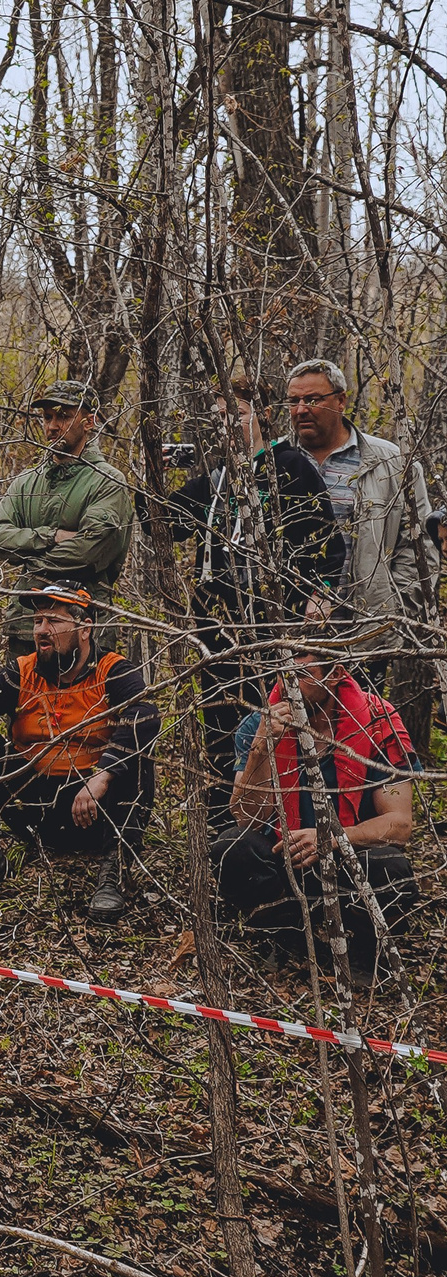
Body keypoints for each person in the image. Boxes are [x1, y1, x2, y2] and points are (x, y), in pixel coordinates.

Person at [168, 375, 342, 830]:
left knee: (270, 723)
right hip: (217, 630)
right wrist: (157, 470)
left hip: (274, 629)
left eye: (236, 415)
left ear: (262, 416)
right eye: (219, 417)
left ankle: (276, 821)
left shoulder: (292, 468)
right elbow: (162, 522)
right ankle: (223, 819)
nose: (225, 425)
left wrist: (319, 599)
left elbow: (329, 545)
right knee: (219, 723)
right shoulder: (217, 478)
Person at [214, 611, 418, 978]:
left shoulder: (377, 721)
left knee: (396, 871)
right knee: (232, 846)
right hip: (284, 858)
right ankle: (283, 937)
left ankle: (363, 951)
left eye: (303, 676)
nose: (290, 687)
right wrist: (263, 745)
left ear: (336, 674)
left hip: (349, 861)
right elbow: (246, 817)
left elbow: (400, 824)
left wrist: (333, 838)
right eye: (284, 674)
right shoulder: (260, 721)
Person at [0, 581, 158, 919]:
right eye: (38, 620)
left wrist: (103, 774)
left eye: (53, 621)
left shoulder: (111, 669)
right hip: (32, 802)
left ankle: (116, 869)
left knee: (137, 754)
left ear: (84, 627)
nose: (41, 630)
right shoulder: (24, 671)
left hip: (90, 808)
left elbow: (145, 714)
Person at [283, 358, 438, 759]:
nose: (301, 410)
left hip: (360, 628)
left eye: (313, 399)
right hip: (286, 627)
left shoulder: (390, 462)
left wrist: (393, 609)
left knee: (358, 738)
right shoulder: (273, 462)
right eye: (293, 401)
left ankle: (361, 819)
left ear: (341, 401)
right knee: (288, 735)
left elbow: (419, 548)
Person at [0, 381, 137, 658]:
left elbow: (87, 553)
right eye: (47, 417)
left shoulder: (107, 481)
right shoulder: (26, 482)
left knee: (85, 702)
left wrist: (31, 560)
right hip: (26, 623)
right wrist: (50, 536)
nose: (53, 426)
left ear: (88, 422)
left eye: (64, 416)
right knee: (25, 701)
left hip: (86, 624)